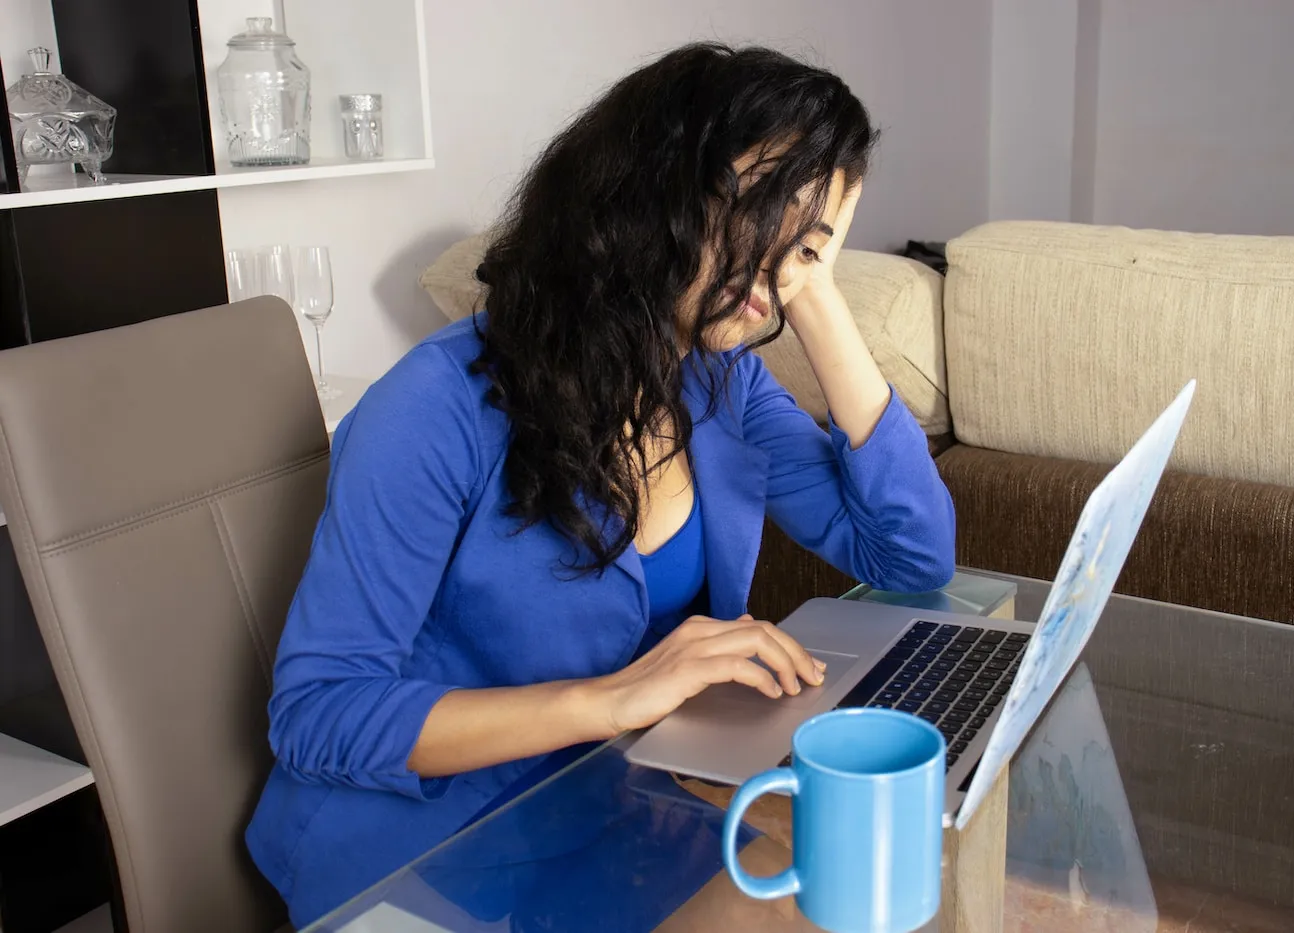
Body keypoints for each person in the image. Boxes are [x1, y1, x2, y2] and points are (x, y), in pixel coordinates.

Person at [245, 42, 956, 926]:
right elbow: (318, 715)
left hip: (615, 811)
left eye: (810, 242)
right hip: (421, 848)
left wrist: (810, 283)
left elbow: (911, 552)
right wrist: (612, 698)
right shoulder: (432, 408)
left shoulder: (720, 386)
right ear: (653, 189)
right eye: (766, 214)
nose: (777, 272)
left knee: (867, 897)